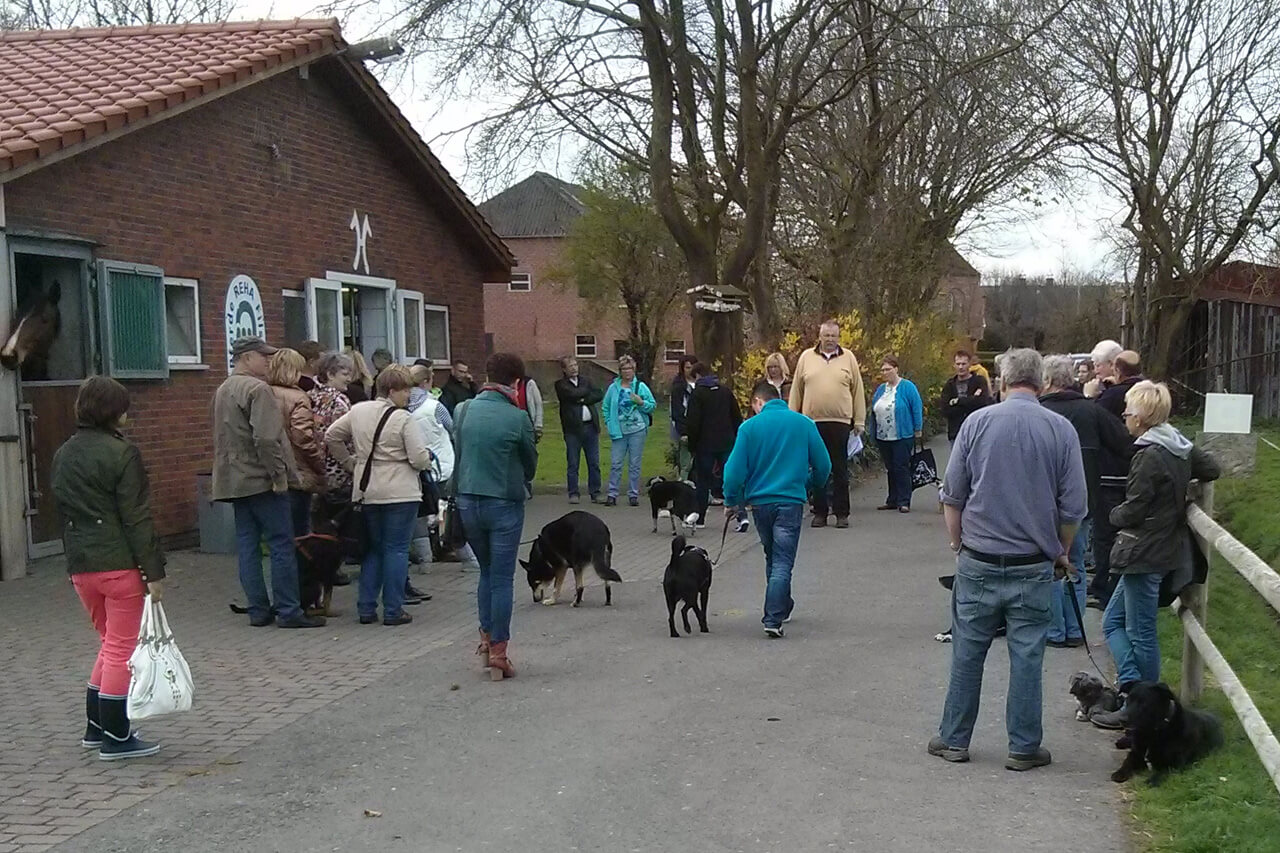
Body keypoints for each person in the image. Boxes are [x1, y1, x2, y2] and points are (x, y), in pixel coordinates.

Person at [930, 348, 1087, 772]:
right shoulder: (1060, 430)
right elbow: (1073, 507)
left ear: (1001, 381)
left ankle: (954, 739)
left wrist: (957, 542)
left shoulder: (976, 424)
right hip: (1033, 562)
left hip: (980, 557)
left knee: (967, 652)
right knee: (1027, 655)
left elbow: (953, 494)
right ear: (1041, 383)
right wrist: (1062, 551)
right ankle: (1023, 746)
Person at [1090, 381, 1220, 728]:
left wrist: (1111, 514)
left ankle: (1148, 708)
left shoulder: (1148, 454)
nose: (1125, 416)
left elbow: (1133, 509)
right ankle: (1133, 686)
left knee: (1140, 629)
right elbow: (1211, 467)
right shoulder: (1176, 445)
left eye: (1130, 410)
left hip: (1142, 550)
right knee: (1113, 621)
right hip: (1160, 547)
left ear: (1144, 417)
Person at [52, 376, 165, 760]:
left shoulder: (64, 452)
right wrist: (154, 572)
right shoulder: (122, 454)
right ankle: (117, 735)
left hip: (80, 564)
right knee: (122, 649)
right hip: (118, 563)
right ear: (114, 411)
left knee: (108, 644)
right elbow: (136, 517)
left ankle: (95, 726)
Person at [213, 336, 323, 629]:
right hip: (262, 478)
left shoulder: (224, 389)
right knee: (281, 544)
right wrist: (279, 476)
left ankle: (258, 610)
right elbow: (266, 438)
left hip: (234, 479)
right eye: (264, 357)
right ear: (247, 357)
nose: (268, 362)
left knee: (248, 545)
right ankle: (288, 610)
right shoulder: (257, 389)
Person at [1038, 355, 1135, 648]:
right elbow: (1125, 445)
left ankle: (1054, 630)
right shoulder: (1091, 412)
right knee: (1076, 561)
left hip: (1044, 504)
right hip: (1084, 503)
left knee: (1049, 564)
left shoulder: (1038, 412)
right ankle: (1076, 629)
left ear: (1048, 381)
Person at [325, 364, 432, 626]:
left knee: (373, 550)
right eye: (405, 390)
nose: (408, 396)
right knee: (396, 550)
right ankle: (394, 610)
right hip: (401, 492)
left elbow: (331, 436)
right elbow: (418, 459)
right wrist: (428, 458)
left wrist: (352, 463)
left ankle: (366, 608)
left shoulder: (358, 410)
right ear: (392, 390)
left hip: (367, 490)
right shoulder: (403, 418)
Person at [453, 352, 539, 679]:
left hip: (467, 500)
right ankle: (500, 652)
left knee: (486, 572)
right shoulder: (517, 418)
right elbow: (530, 464)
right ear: (516, 383)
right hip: (503, 502)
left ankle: (485, 639)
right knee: (502, 578)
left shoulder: (462, 411)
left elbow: (459, 455)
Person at [723, 381, 831, 638]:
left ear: (758, 402)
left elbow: (733, 471)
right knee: (783, 561)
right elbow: (824, 465)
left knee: (773, 556)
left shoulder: (749, 428)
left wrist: (731, 500)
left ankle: (783, 605)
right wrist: (809, 485)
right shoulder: (804, 424)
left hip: (760, 503)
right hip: (790, 501)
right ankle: (773, 617)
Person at [789, 319, 866, 529]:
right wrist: (791, 419)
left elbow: (858, 391)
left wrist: (859, 420)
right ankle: (820, 512)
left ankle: (842, 513)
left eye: (834, 336)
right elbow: (797, 389)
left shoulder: (848, 358)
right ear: (820, 337)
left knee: (840, 469)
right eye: (826, 335)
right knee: (817, 469)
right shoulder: (806, 357)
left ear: (838, 338)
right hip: (812, 423)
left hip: (840, 422)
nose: (830, 340)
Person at [268, 348, 327, 536]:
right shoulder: (298, 397)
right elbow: (303, 438)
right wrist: (319, 464)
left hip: (269, 469)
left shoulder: (262, 392)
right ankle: (298, 565)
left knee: (277, 532)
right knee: (299, 531)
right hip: (297, 471)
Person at [684, 362, 746, 529]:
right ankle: (742, 516)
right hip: (726, 441)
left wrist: (692, 445)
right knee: (732, 478)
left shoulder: (698, 394)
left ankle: (700, 518)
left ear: (697, 376)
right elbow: (736, 416)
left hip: (705, 444)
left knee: (703, 481)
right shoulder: (725, 391)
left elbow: (693, 422)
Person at [869, 356, 924, 513]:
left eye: (888, 369)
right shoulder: (881, 389)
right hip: (883, 435)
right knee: (890, 468)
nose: (885, 372)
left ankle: (904, 500)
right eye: (883, 370)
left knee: (901, 467)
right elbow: (874, 408)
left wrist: (917, 428)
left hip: (902, 435)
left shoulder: (907, 387)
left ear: (896, 369)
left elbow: (916, 407)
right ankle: (892, 499)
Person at [601, 355, 657, 506]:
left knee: (634, 463)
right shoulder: (613, 388)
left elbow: (652, 405)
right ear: (620, 371)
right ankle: (612, 494)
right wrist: (608, 422)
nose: (627, 372)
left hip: (637, 430)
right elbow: (605, 407)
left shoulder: (640, 387)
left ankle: (633, 494)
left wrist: (641, 402)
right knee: (616, 463)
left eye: (629, 368)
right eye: (624, 369)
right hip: (619, 431)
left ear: (634, 370)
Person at [554, 356, 604, 504]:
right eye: (570, 366)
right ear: (564, 369)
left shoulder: (586, 380)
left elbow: (598, 394)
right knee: (573, 463)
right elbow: (571, 394)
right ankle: (573, 493)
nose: (574, 368)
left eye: (575, 365)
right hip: (573, 430)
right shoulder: (560, 385)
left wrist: (583, 399)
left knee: (594, 462)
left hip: (590, 427)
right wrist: (586, 394)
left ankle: (595, 492)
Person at [939, 349, 992, 442]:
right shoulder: (950, 385)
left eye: (963, 364)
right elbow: (945, 410)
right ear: (954, 365)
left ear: (969, 364)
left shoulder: (979, 381)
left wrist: (957, 401)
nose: (961, 367)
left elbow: (982, 402)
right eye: (958, 364)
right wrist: (971, 400)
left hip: (976, 432)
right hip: (955, 433)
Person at [669, 355, 698, 476]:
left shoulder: (701, 385)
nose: (690, 370)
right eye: (687, 367)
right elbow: (676, 411)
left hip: (700, 427)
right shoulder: (678, 387)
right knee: (685, 462)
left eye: (692, 367)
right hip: (684, 427)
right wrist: (683, 431)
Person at [1097, 349, 1144, 420]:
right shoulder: (1148, 389)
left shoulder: (1113, 394)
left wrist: (1088, 395)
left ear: (1118, 371)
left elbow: (1095, 414)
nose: (1112, 368)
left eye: (1113, 366)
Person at [408, 363, 454, 432]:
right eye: (432, 379)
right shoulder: (435, 406)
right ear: (425, 382)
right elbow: (451, 427)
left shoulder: (402, 404)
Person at [514, 374, 545, 443]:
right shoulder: (505, 385)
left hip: (528, 425)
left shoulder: (529, 383)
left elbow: (538, 404)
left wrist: (538, 426)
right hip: (512, 426)